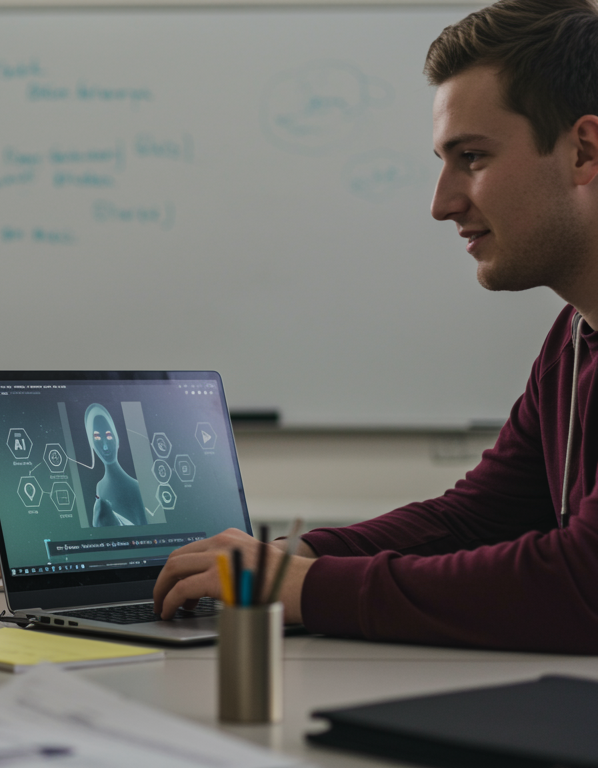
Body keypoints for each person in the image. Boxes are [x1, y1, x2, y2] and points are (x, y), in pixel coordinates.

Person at [154, 0, 598, 654]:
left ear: (584, 151)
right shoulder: (575, 337)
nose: (442, 203)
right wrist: (273, 560)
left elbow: (581, 587)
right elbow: (473, 518)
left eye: (471, 157)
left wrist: (305, 587)